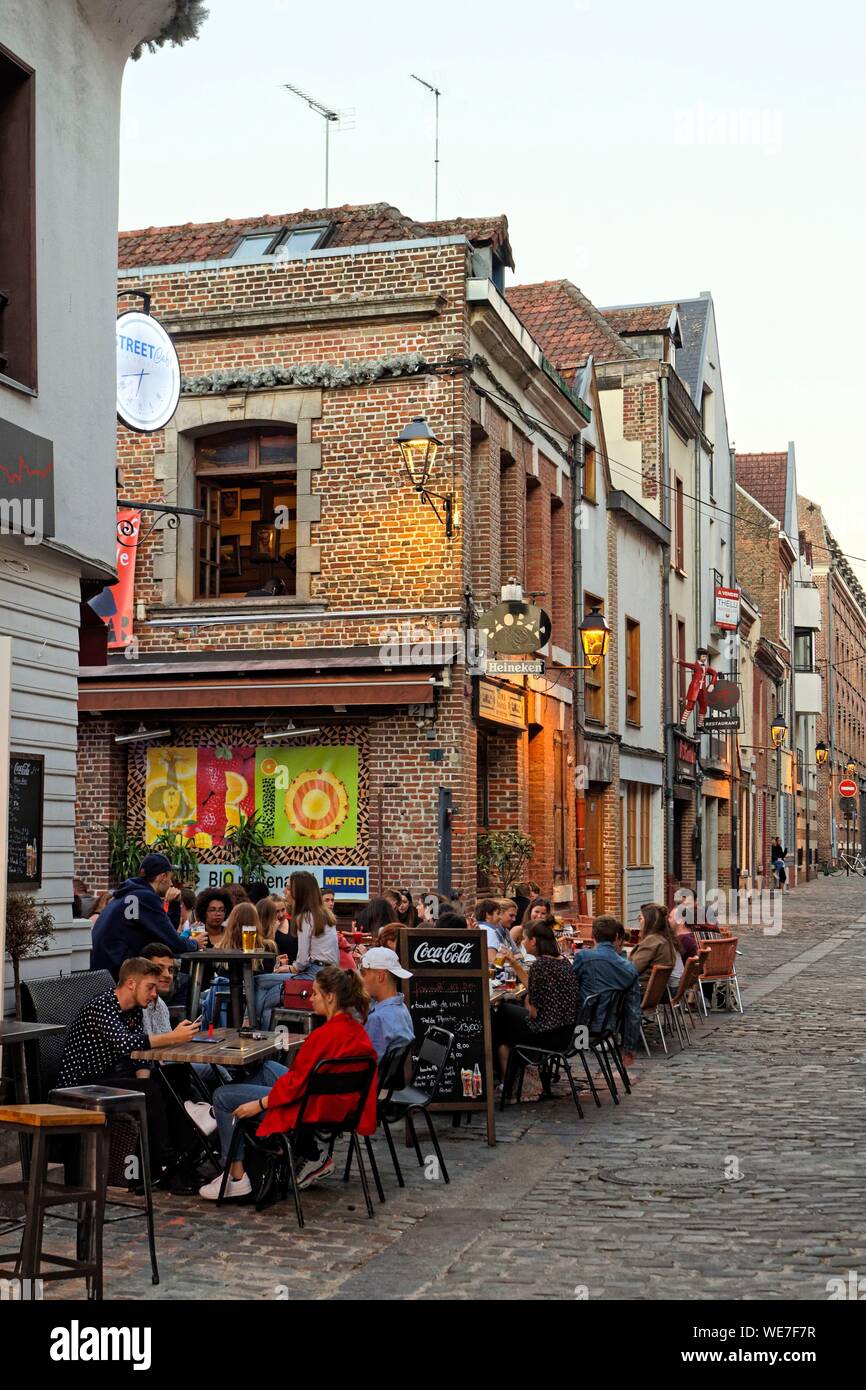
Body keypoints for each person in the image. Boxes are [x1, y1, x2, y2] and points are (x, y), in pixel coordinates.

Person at [199, 966, 378, 1201]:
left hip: (311, 1108)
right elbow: (303, 1080)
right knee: (267, 1068)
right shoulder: (356, 1031)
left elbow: (297, 1085)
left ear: (330, 997)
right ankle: (230, 1126)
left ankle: (237, 1175)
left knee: (223, 1095)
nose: (310, 998)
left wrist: (260, 1104)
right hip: (337, 1104)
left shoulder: (322, 1036)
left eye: (314, 993)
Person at [56, 956, 201, 1192]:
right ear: (131, 984)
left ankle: (184, 1161)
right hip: (80, 1084)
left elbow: (140, 1053)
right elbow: (125, 1043)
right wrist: (173, 1037)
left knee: (173, 1077)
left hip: (107, 1077)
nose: (154, 994)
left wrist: (143, 1078)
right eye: (150, 987)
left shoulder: (134, 1010)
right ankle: (166, 1165)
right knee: (151, 1090)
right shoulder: (102, 1006)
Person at [492, 918, 579, 1091]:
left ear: (533, 940)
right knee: (506, 1016)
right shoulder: (562, 960)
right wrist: (515, 964)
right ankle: (509, 1080)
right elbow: (534, 987)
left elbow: (534, 1013)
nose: (523, 943)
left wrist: (526, 1006)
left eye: (525, 939)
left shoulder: (540, 965)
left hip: (549, 1034)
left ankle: (507, 1082)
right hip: (567, 1029)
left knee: (500, 1017)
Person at [90, 853, 198, 979]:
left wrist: (173, 905)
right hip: (118, 973)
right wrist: (195, 943)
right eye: (170, 878)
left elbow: (164, 936)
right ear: (163, 877)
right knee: (178, 981)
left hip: (103, 971)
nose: (171, 884)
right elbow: (175, 943)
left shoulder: (126, 895)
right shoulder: (145, 897)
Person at [571, 916, 641, 1065]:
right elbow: (633, 1011)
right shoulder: (629, 968)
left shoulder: (583, 957)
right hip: (608, 1027)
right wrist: (629, 1048)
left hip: (580, 1026)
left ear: (592, 936)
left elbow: (569, 987)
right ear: (617, 937)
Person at [358, 947, 415, 1059]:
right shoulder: (401, 1008)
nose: (360, 978)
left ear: (380, 976)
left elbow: (366, 1062)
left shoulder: (378, 1019)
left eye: (363, 973)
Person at [286, 870, 339, 979]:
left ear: (298, 892)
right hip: (332, 972)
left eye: (288, 888)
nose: (284, 891)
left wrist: (289, 968)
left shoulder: (305, 917)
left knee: (260, 981)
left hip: (315, 972)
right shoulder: (325, 914)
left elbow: (302, 963)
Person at [629, 902, 682, 983]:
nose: (639, 922)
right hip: (657, 991)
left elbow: (631, 970)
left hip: (639, 991)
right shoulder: (664, 939)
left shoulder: (651, 941)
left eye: (641, 918)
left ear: (649, 921)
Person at [475, 898, 516, 963]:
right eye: (498, 913)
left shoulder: (478, 927)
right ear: (488, 914)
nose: (500, 917)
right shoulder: (490, 931)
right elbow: (493, 962)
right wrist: (504, 955)